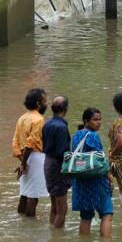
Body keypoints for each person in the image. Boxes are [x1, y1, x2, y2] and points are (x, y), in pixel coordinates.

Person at [71, 108, 113, 237]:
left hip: (81, 181)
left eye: (100, 119)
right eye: (95, 120)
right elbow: (100, 160)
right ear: (86, 121)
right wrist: (110, 177)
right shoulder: (93, 136)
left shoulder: (76, 135)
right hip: (96, 181)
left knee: (86, 217)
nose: (98, 122)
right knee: (107, 214)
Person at [12, 88, 49, 217]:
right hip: (36, 157)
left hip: (25, 157)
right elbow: (31, 143)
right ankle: (30, 226)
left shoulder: (22, 118)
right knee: (33, 196)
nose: (47, 104)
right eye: (45, 101)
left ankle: (22, 222)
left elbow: (15, 143)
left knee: (24, 193)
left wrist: (22, 161)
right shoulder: (39, 119)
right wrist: (23, 163)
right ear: (38, 104)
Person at [42, 96, 71, 228]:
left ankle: (52, 237)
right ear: (65, 109)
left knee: (54, 206)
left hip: (48, 163)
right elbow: (62, 153)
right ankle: (57, 240)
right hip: (58, 167)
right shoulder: (61, 127)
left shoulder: (47, 124)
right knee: (62, 209)